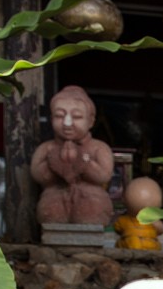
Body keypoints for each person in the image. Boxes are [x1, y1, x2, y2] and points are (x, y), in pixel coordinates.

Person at [30, 85, 116, 226]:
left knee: (92, 211)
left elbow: (103, 175)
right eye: (59, 116)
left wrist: (84, 160)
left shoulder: (99, 148)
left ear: (91, 121)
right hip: (55, 198)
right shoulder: (47, 148)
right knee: (51, 212)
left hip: (91, 200)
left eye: (76, 116)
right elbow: (37, 174)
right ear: (51, 118)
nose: (67, 123)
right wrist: (54, 161)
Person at [114, 177, 163, 250]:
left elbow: (117, 228)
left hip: (130, 245)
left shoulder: (124, 220)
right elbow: (161, 229)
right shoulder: (152, 222)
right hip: (150, 246)